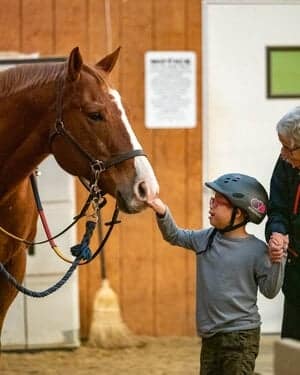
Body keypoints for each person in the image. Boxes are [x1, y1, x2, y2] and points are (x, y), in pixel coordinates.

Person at [148, 173, 286, 375]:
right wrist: (162, 211)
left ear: (238, 213)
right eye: (212, 200)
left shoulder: (257, 250)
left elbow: (270, 290)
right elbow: (175, 236)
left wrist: (278, 260)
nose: (211, 206)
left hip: (242, 337)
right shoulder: (205, 239)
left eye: (218, 202)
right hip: (211, 336)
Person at [265, 106, 300, 341]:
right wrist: (277, 232)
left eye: (289, 148)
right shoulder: (286, 163)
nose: (283, 153)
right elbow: (277, 208)